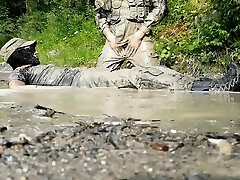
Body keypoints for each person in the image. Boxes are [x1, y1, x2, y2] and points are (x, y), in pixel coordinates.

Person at [0, 38, 240, 92]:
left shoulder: (27, 70)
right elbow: (16, 90)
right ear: (20, 56)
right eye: (30, 50)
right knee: (137, 75)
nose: (36, 51)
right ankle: (211, 88)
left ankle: (204, 82)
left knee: (141, 74)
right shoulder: (21, 72)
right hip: (82, 80)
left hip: (85, 76)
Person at [95, 0, 168, 71]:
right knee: (100, 75)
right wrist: (109, 36)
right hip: (114, 39)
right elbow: (100, 14)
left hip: (140, 38)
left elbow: (160, 8)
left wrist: (141, 33)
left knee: (153, 73)